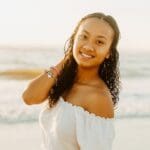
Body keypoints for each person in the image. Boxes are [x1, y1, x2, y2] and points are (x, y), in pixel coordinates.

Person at [22, 12, 121, 150]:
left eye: (99, 42)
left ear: (109, 52)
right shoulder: (64, 80)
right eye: (84, 37)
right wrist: (67, 59)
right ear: (74, 39)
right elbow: (29, 97)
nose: (88, 46)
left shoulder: (98, 97)